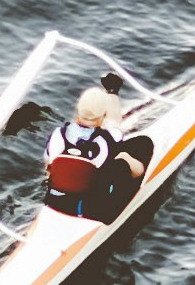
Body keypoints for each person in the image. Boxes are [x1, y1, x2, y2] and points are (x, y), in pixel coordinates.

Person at [40, 81, 156, 223]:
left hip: (54, 202)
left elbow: (48, 166)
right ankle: (141, 177)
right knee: (137, 147)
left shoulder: (57, 134)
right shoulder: (107, 138)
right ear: (103, 115)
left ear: (78, 110)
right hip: (93, 211)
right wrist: (112, 92)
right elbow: (114, 121)